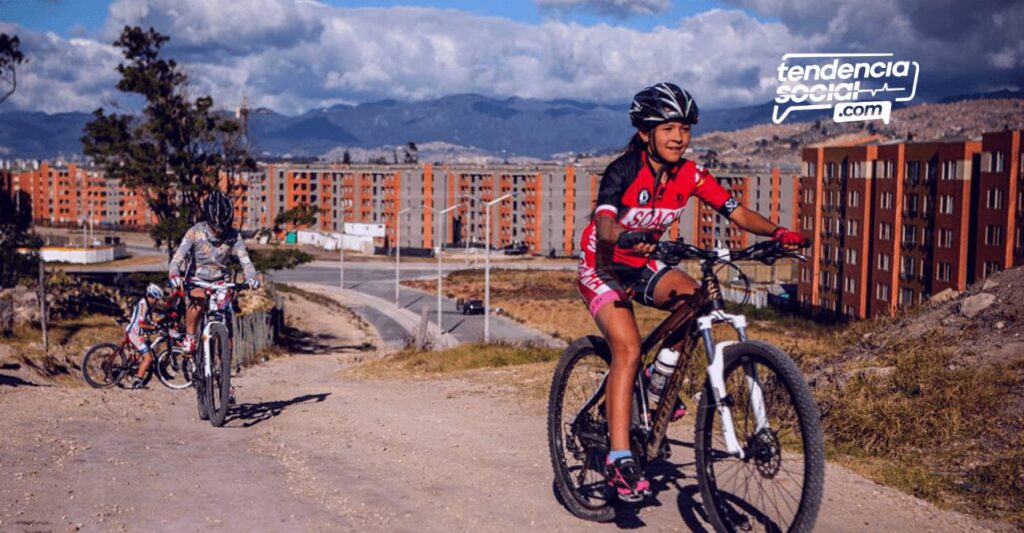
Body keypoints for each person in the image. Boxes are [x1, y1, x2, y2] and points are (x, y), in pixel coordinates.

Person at [576, 82, 804, 503]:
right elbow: (605, 225)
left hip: (644, 263)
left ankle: (657, 379)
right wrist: (629, 235)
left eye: (684, 128)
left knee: (696, 299)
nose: (678, 136)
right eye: (668, 128)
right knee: (626, 348)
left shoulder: (691, 174)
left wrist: (778, 232)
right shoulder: (623, 170)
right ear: (645, 133)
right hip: (603, 265)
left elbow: (735, 211)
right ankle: (620, 460)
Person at [167, 191, 260, 358]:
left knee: (226, 325)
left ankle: (224, 374)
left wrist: (251, 278)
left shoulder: (234, 235)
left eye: (223, 227)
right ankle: (190, 337)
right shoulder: (195, 232)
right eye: (216, 228)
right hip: (197, 279)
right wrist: (174, 275)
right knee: (198, 300)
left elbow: (245, 261)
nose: (219, 232)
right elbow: (176, 260)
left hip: (220, 282)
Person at [126, 283, 165, 389]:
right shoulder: (144, 304)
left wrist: (154, 323)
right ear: (151, 296)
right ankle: (137, 381)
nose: (157, 302)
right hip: (135, 333)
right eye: (156, 299)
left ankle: (134, 371)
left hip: (137, 333)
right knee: (148, 358)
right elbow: (140, 323)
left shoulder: (147, 303)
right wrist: (152, 328)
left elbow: (148, 319)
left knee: (142, 353)